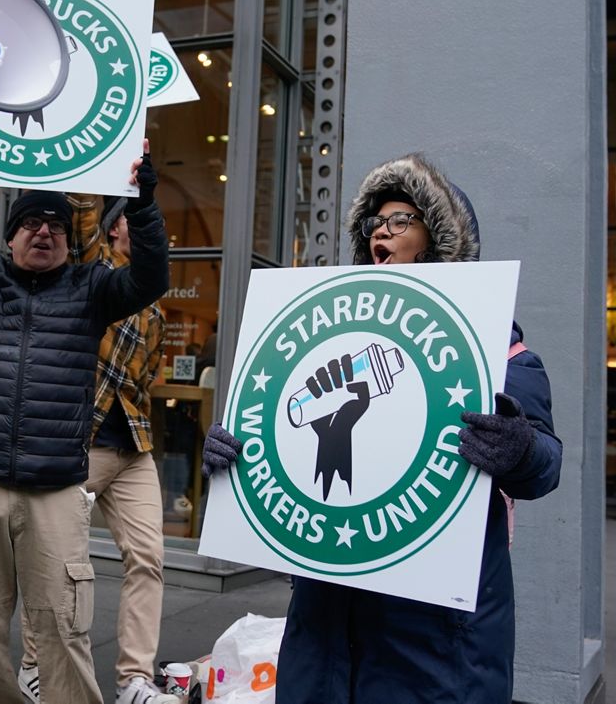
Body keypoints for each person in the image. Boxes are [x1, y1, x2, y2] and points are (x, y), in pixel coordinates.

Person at [201, 153, 563, 703]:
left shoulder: (500, 354)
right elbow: (290, 467)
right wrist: (239, 461)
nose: (380, 233)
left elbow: (544, 468)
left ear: (439, 242)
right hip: (324, 638)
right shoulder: (333, 356)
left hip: (434, 645)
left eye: (401, 220)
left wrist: (520, 448)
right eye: (374, 223)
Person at [0, 156, 170, 704]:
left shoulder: (92, 288)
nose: (45, 232)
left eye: (57, 227)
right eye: (32, 224)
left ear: (69, 241)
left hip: (58, 489)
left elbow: (152, 277)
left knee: (63, 626)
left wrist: (143, 205)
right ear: (10, 235)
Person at [17, 189, 175, 704]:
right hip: (79, 441)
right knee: (55, 559)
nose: (150, 225)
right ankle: (34, 667)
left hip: (132, 446)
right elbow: (81, 210)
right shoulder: (93, 267)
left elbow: (146, 378)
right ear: (112, 229)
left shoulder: (154, 303)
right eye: (135, 218)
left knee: (148, 556)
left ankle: (134, 679)